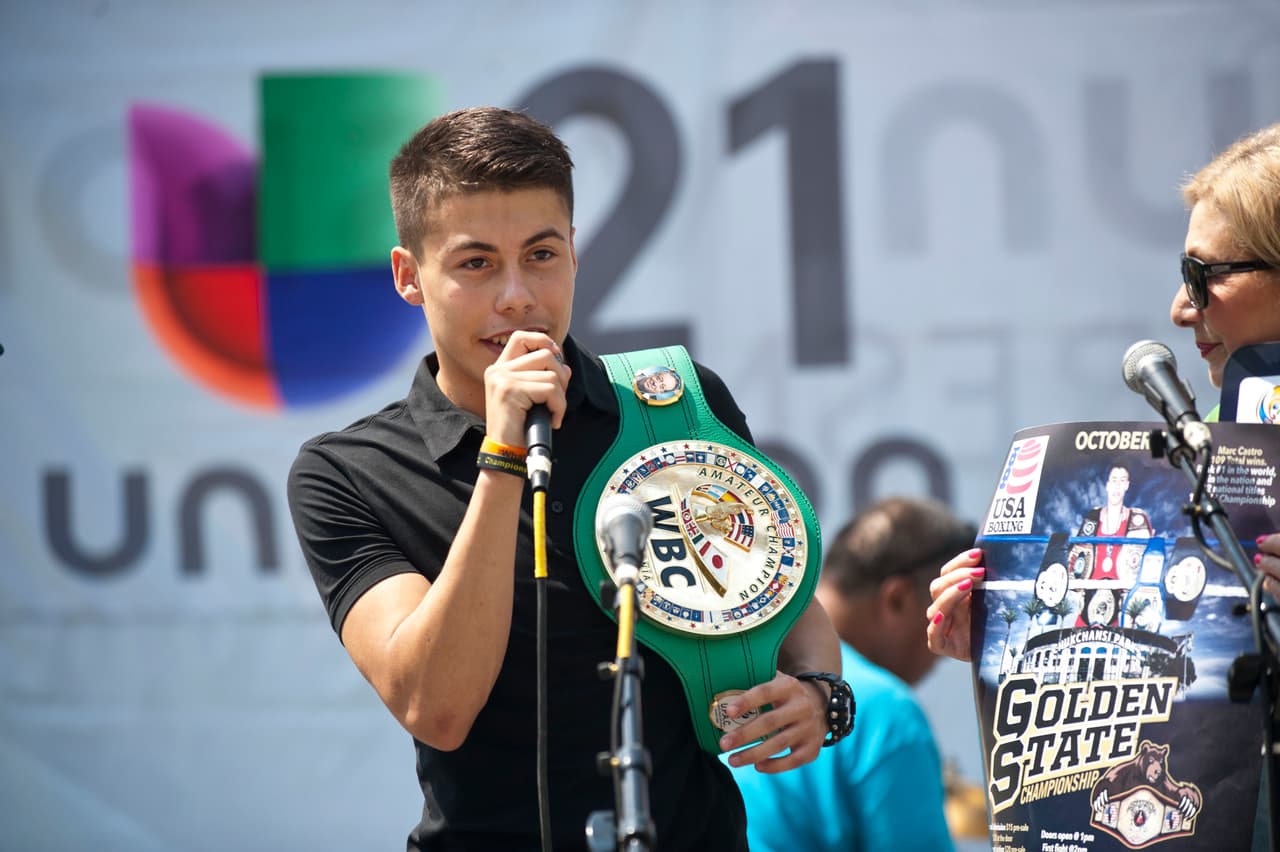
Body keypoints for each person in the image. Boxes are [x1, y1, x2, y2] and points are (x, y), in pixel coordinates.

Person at [286, 106, 841, 852]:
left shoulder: (671, 403)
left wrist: (817, 694)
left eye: (541, 254)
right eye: (476, 263)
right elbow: (437, 706)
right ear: (409, 276)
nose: (517, 296)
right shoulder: (348, 472)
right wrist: (504, 453)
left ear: (575, 253)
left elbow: (781, 597)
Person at [925, 122, 1280, 848]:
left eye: (1203, 276)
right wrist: (1007, 631)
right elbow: (1187, 666)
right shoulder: (1219, 438)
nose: (1183, 310)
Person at [726, 497, 975, 851]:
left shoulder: (732, 668)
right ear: (897, 599)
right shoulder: (888, 712)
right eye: (946, 613)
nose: (943, 653)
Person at [1068, 463, 1152, 628]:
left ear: (1127, 485)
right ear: (1107, 485)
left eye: (1122, 480)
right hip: (1088, 604)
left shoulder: (1138, 519)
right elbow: (1075, 556)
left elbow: (1148, 561)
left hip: (1122, 607)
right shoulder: (1092, 517)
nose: (1117, 486)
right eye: (1114, 480)